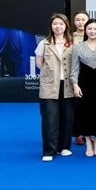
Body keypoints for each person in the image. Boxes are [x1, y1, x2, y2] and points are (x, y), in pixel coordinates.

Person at [36, 13, 75, 162]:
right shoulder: (44, 43)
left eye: (61, 24)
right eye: (55, 24)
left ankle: (63, 147)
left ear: (66, 26)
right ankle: (49, 150)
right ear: (51, 26)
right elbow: (39, 63)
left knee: (67, 117)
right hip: (50, 85)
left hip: (68, 85)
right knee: (50, 119)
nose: (58, 27)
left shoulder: (72, 43)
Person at [70, 18, 96, 158]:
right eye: (90, 29)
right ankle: (88, 144)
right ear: (85, 30)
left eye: (95, 29)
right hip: (84, 84)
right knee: (84, 113)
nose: (92, 31)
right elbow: (74, 68)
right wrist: (75, 85)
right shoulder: (78, 47)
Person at [71, 10, 89, 146]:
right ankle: (78, 134)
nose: (80, 22)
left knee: (88, 105)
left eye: (83, 20)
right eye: (78, 20)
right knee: (76, 106)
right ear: (74, 21)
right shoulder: (69, 37)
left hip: (89, 74)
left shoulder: (93, 34)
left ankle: (88, 132)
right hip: (74, 73)